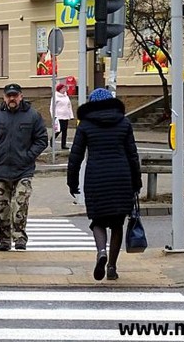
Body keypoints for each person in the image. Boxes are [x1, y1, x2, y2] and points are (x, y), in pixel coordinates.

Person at [67, 88, 142, 281]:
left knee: (97, 221)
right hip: (121, 177)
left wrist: (72, 182)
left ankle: (101, 251)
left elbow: (75, 157)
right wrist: (136, 181)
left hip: (96, 178)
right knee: (117, 224)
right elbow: (133, 155)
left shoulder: (85, 125)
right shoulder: (124, 123)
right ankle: (112, 267)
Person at [0, 83, 48, 251]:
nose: (12, 98)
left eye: (15, 95)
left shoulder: (33, 116)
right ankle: (4, 239)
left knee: (20, 203)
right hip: (1, 170)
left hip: (23, 169)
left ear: (21, 96)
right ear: (4, 97)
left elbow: (42, 139)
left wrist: (29, 156)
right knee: (4, 207)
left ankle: (20, 237)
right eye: (9, 96)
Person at [51, 83, 75, 150]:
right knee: (59, 129)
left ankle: (63, 145)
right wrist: (53, 116)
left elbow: (69, 106)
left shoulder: (66, 96)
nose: (65, 89)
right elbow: (52, 107)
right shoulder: (55, 96)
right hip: (58, 116)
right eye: (63, 88)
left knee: (65, 130)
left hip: (65, 115)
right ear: (60, 89)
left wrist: (71, 115)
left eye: (65, 88)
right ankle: (52, 139)